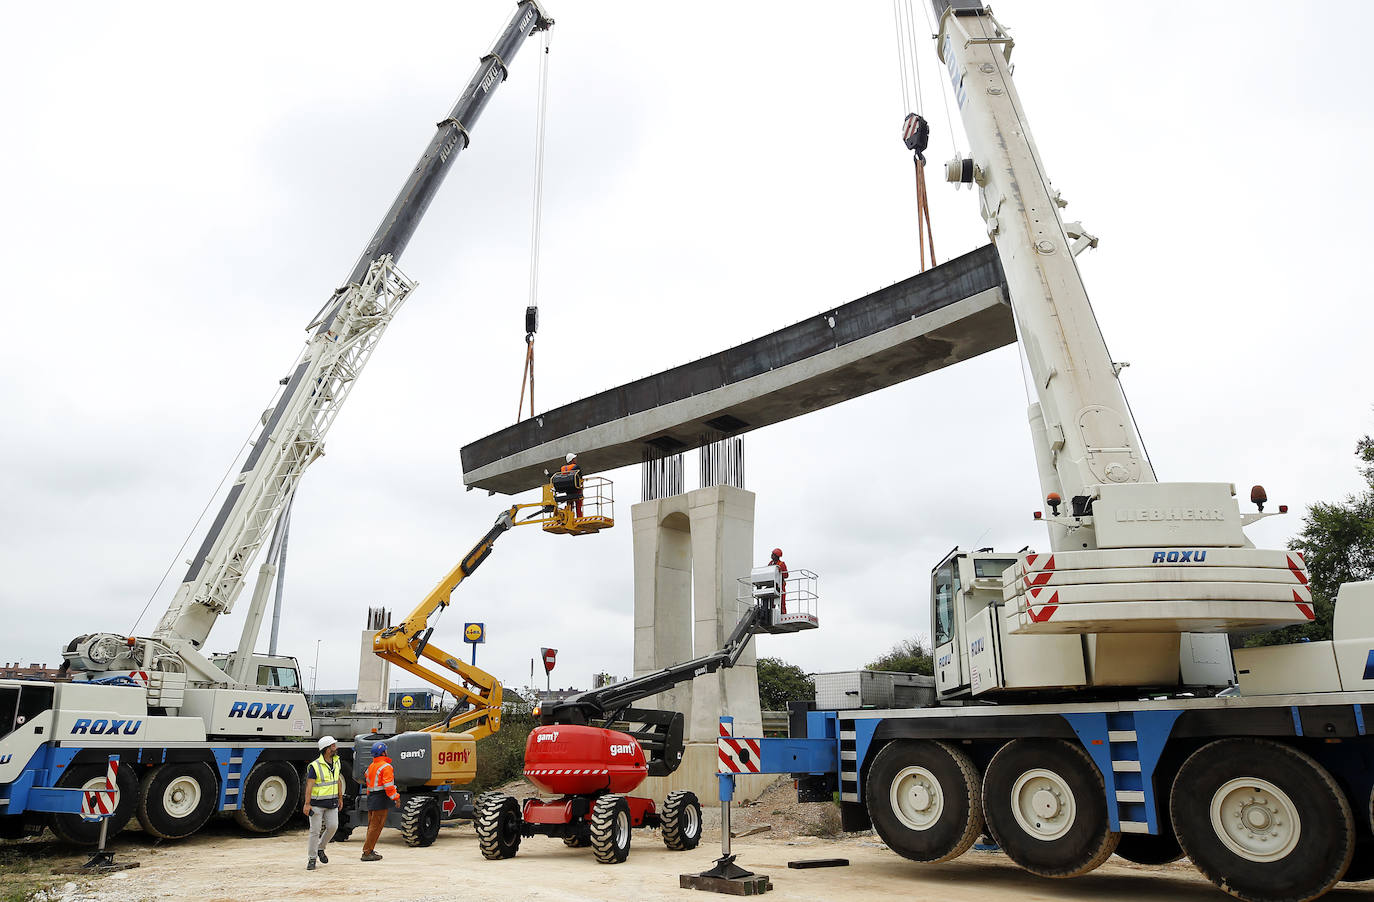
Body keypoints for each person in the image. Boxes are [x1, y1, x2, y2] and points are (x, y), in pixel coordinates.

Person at [304, 735, 343, 871]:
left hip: (332, 802)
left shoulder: (337, 762)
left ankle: (321, 848)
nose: (335, 748)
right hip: (316, 804)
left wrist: (340, 797)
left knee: (333, 827)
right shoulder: (315, 766)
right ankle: (312, 858)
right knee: (314, 831)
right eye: (333, 746)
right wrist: (307, 804)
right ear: (327, 749)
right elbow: (309, 785)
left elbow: (337, 780)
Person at [361, 740, 400, 861]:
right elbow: (388, 786)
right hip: (380, 798)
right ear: (383, 752)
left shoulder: (371, 767)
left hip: (372, 798)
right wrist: (396, 798)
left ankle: (369, 849)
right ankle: (367, 852)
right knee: (376, 826)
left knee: (371, 826)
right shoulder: (386, 767)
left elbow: (368, 786)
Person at [559, 452, 584, 518]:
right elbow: (580, 476)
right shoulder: (576, 467)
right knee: (578, 505)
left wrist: (548, 474)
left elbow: (556, 476)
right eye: (575, 458)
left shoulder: (563, 469)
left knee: (569, 504)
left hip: (568, 490)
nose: (576, 460)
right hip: (576, 488)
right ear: (572, 460)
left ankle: (569, 517)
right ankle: (579, 518)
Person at [769, 548, 789, 613]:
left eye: (773, 554)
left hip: (780, 586)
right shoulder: (770, 563)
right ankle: (771, 614)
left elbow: (786, 575)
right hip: (772, 585)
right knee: (771, 602)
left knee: (781, 602)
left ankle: (783, 614)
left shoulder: (781, 564)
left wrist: (780, 571)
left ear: (777, 556)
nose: (771, 555)